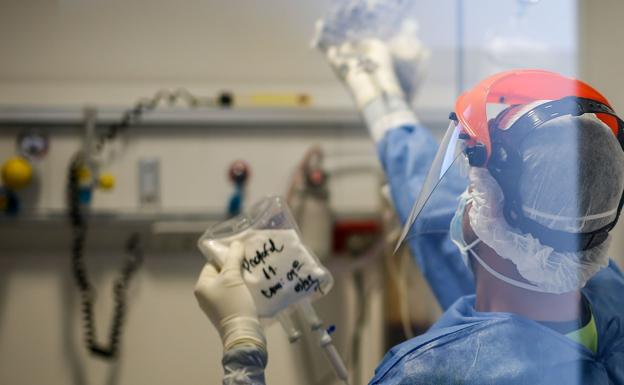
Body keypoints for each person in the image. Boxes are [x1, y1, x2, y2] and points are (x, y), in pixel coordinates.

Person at [194, 37, 624, 384]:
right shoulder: (601, 287)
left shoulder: (432, 373)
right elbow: (450, 223)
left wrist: (242, 345)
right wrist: (384, 101)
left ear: (482, 220)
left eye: (471, 189)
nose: (460, 197)